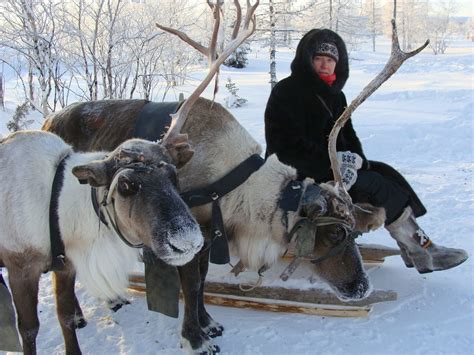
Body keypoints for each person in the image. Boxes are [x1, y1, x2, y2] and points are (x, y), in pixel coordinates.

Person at [264, 28, 468, 273]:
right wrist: (334, 162)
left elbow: (348, 136)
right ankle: (422, 250)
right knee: (374, 184)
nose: (324, 64)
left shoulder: (336, 96)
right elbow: (285, 145)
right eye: (318, 58)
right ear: (306, 60)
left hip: (329, 171)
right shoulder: (287, 92)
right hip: (294, 176)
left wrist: (356, 160)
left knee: (384, 174)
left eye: (330, 60)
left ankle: (416, 245)